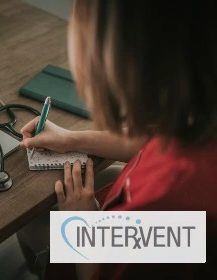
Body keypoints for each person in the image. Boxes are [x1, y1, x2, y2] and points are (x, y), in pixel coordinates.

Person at [18, 0, 217, 279]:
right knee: (104, 175)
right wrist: (70, 138)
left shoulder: (163, 201)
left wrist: (83, 222)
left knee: (29, 222)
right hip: (127, 229)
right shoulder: (196, 118)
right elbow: (148, 144)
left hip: (100, 243)